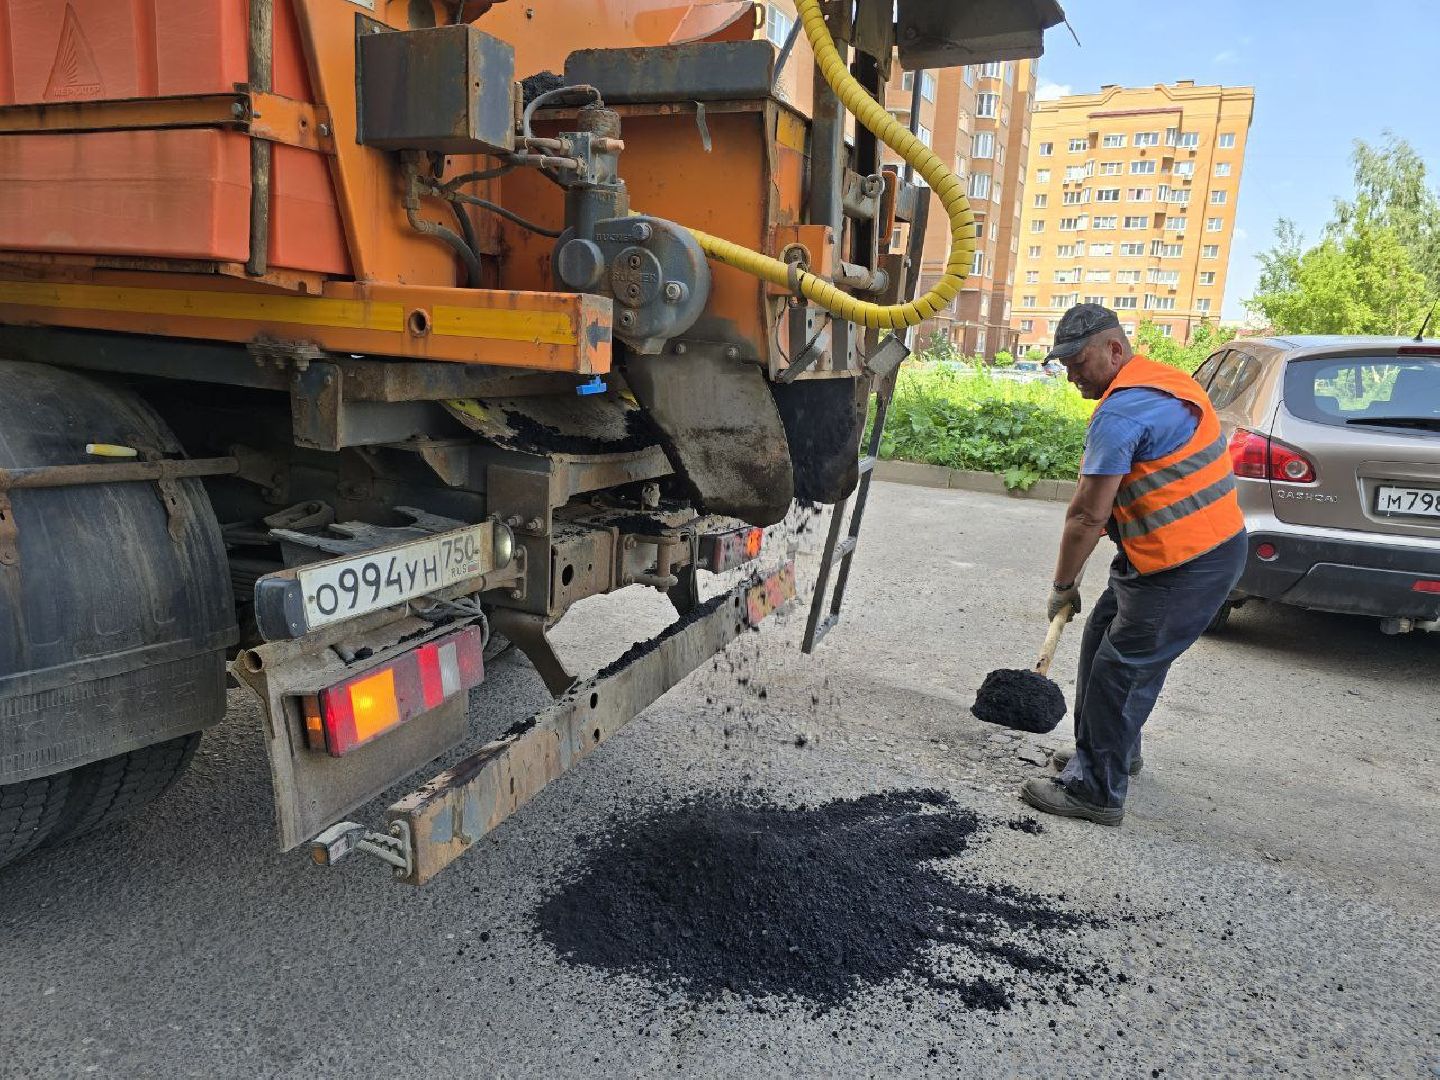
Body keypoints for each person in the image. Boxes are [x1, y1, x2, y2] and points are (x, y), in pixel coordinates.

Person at [1019, 304, 1247, 826]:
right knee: (1102, 638)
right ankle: (1106, 752)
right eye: (1063, 363)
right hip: (1162, 555)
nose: (1071, 374)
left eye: (1078, 362)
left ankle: (1096, 790)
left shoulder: (1122, 412)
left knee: (1121, 670)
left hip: (1187, 564)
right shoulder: (1162, 383)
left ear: (1114, 350)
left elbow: (1086, 515)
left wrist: (1062, 585)